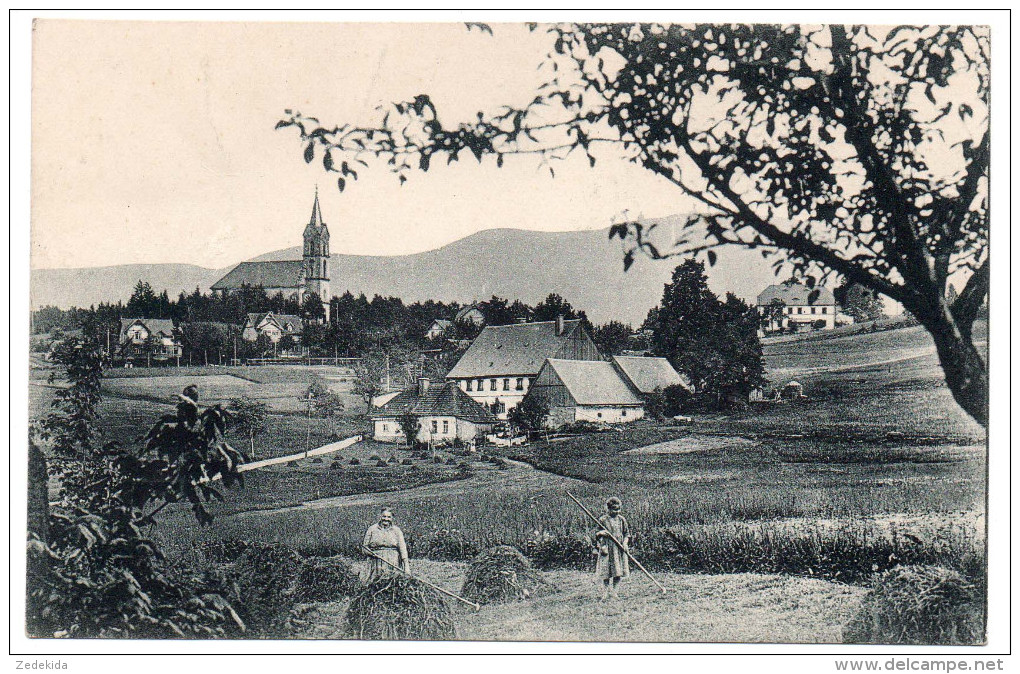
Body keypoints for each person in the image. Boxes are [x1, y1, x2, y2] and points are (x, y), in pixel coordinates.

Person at [594, 496, 630, 600]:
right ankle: (605, 594)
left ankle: (614, 593)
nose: (617, 511)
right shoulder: (602, 520)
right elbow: (596, 535)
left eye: (618, 509)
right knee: (606, 572)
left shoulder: (622, 520)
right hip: (607, 548)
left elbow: (627, 534)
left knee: (618, 572)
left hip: (619, 548)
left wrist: (625, 543)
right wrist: (601, 533)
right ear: (608, 509)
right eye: (614, 509)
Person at [362, 507, 410, 582]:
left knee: (392, 584)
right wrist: (371, 553)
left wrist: (406, 567)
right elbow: (364, 548)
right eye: (384, 516)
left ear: (392, 518)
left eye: (389, 517)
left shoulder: (396, 531)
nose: (386, 519)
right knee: (374, 584)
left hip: (393, 562)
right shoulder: (372, 529)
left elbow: (403, 549)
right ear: (380, 516)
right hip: (375, 563)